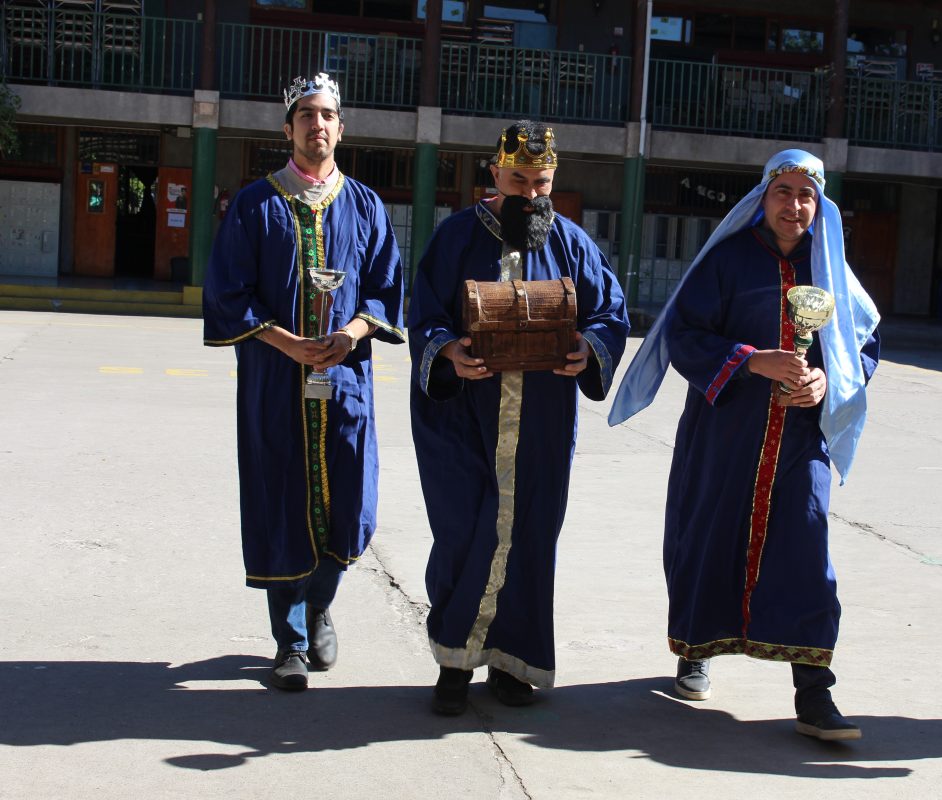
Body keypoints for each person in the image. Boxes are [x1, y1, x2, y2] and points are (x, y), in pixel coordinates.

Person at [608, 149, 880, 741]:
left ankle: (814, 689)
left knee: (806, 547)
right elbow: (686, 335)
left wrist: (827, 378)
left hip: (801, 439)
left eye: (807, 195)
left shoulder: (829, 265)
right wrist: (755, 361)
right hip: (726, 432)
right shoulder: (726, 261)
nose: (795, 205)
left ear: (820, 205)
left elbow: (863, 344)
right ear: (763, 196)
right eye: (784, 191)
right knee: (708, 538)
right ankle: (696, 649)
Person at [408, 120, 629, 715]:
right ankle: (455, 662)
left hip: (541, 426)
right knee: (465, 532)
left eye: (542, 183)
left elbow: (610, 313)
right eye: (518, 181)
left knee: (531, 537)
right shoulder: (454, 238)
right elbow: (424, 314)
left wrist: (592, 348)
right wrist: (447, 351)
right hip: (464, 421)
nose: (530, 194)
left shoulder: (574, 244)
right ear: (494, 174)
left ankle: (512, 664)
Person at [203, 73, 405, 691]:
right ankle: (288, 638)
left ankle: (321, 606)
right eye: (306, 115)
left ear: (341, 129)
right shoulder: (254, 205)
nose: (317, 125)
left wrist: (352, 333)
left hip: (344, 384)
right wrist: (287, 343)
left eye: (327, 116)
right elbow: (227, 294)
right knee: (282, 499)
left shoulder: (366, 206)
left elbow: (386, 289)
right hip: (275, 385)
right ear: (288, 128)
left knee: (347, 502)